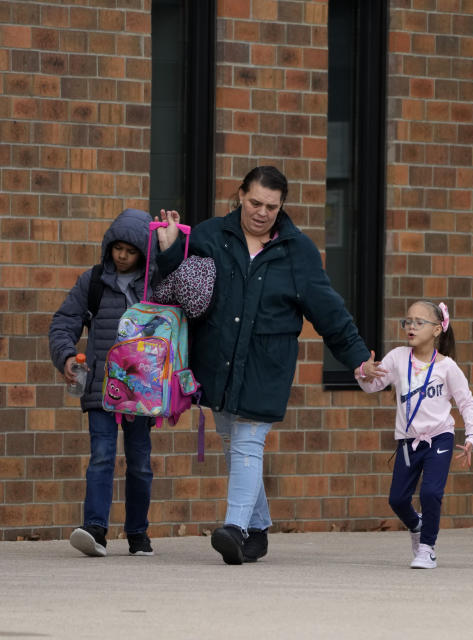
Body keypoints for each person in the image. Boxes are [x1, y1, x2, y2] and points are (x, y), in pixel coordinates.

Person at [155, 166, 384, 565]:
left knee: (246, 444)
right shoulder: (210, 235)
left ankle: (235, 527)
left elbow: (328, 311)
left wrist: (358, 359)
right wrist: (172, 247)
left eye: (271, 206)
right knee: (233, 444)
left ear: (282, 206)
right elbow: (175, 285)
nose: (262, 212)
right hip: (217, 363)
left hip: (266, 367)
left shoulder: (298, 252)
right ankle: (257, 530)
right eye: (255, 202)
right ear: (241, 195)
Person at [48, 208, 157, 557]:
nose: (122, 256)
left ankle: (138, 533)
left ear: (143, 252)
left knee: (139, 462)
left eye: (131, 250)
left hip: (141, 391)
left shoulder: (155, 286)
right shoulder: (93, 281)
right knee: (101, 457)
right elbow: (63, 322)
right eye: (117, 248)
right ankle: (95, 528)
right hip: (100, 387)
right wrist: (66, 355)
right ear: (109, 246)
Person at [355, 300, 473, 569]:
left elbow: (466, 402)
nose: (411, 327)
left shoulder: (447, 368)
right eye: (408, 321)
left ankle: (427, 548)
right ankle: (417, 524)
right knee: (397, 499)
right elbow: (373, 385)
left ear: (437, 330)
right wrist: (363, 373)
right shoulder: (398, 358)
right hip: (408, 441)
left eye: (419, 322)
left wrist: (472, 437)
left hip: (440, 438)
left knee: (431, 493)